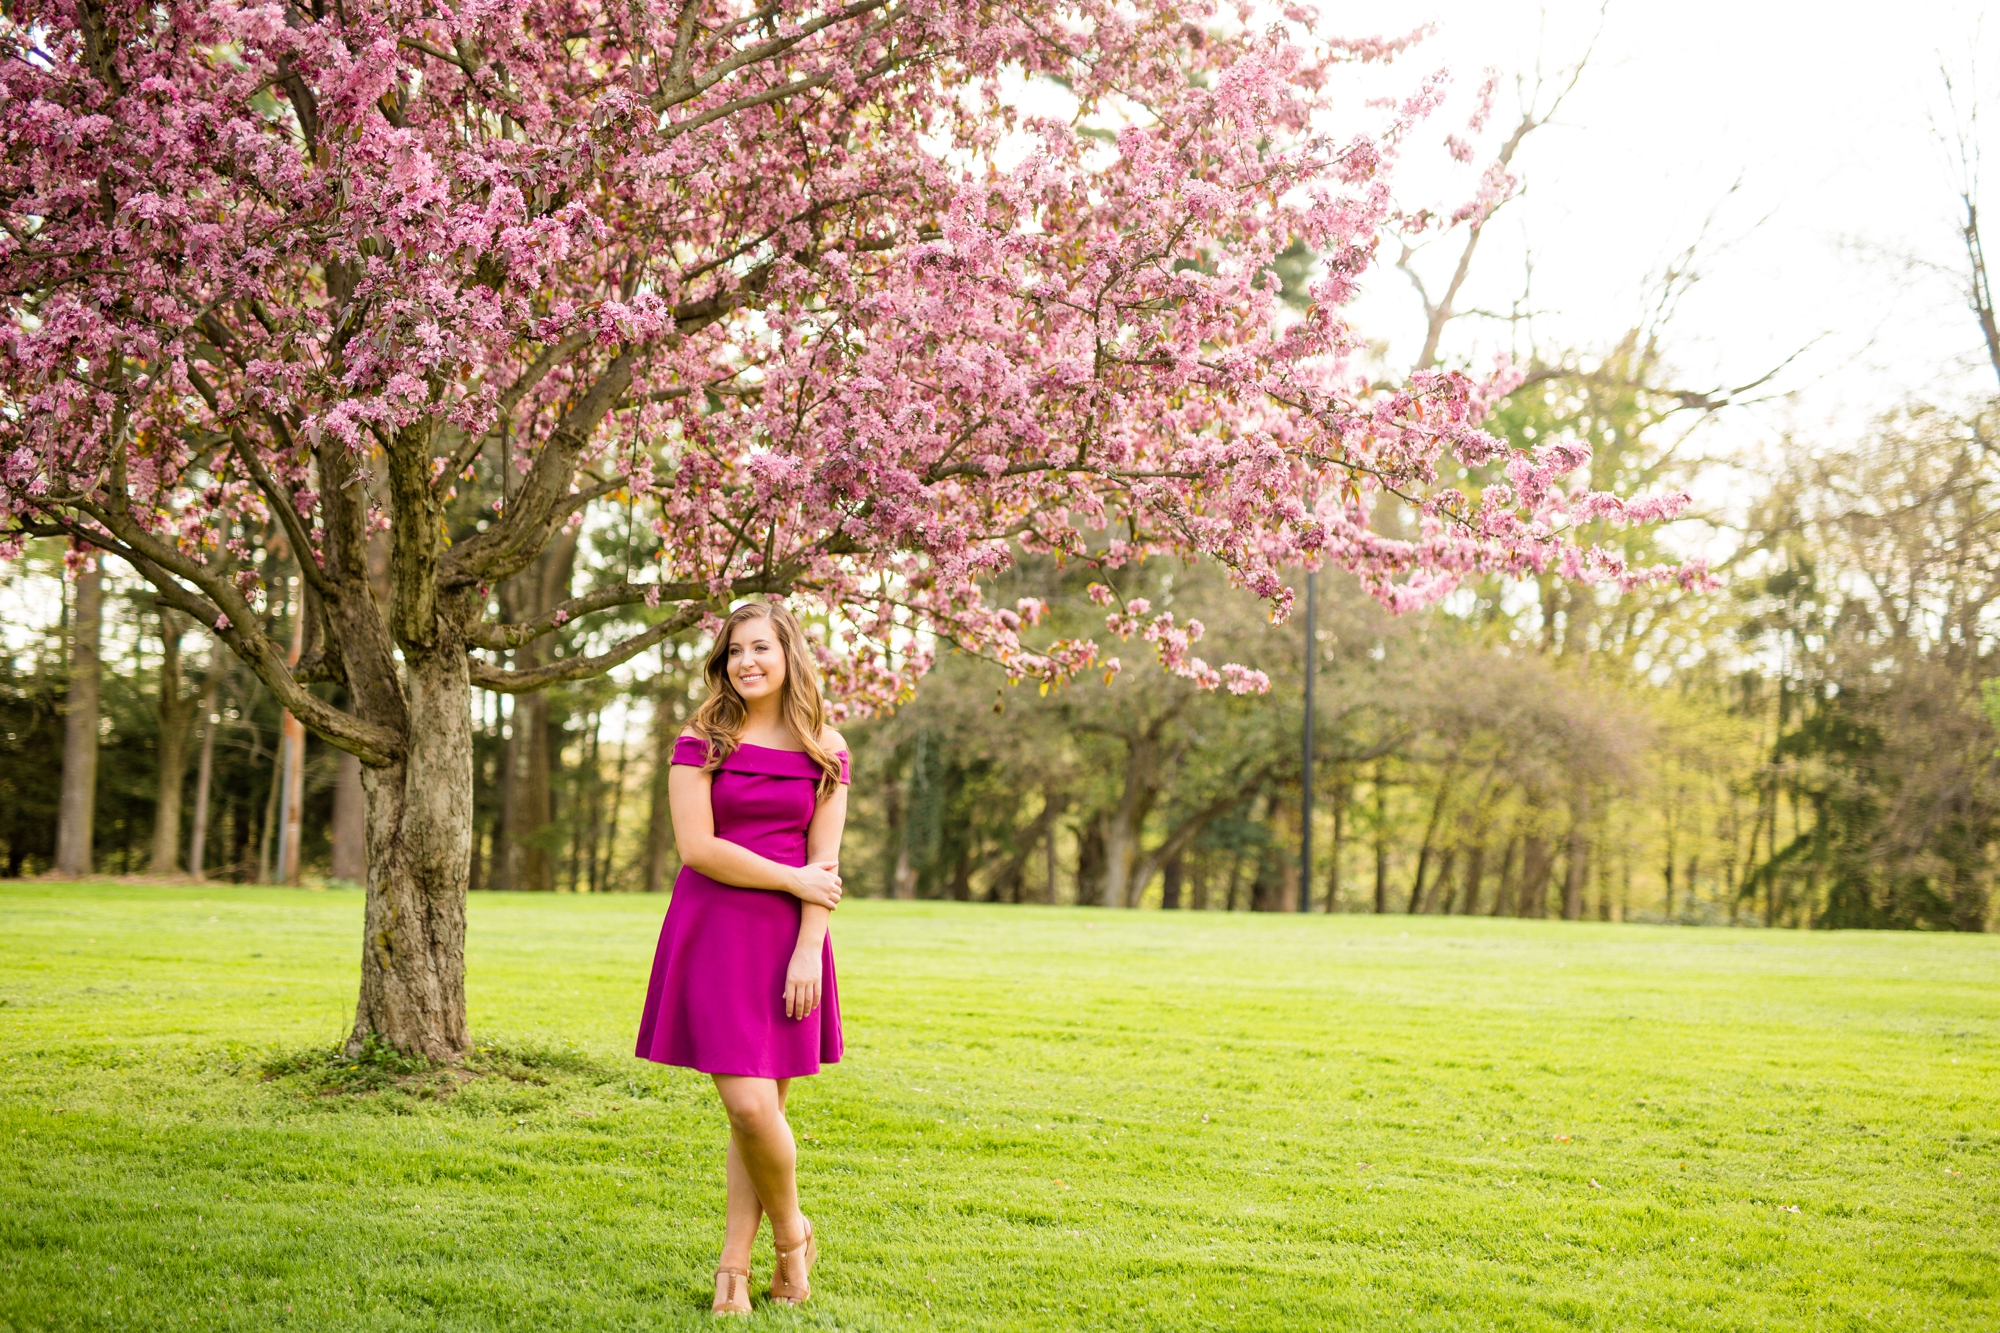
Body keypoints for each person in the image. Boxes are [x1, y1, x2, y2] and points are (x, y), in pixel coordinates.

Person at [633, 600, 849, 1315]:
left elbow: (827, 863)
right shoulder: (704, 737)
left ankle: (734, 1267)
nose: (746, 661)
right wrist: (792, 879)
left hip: (791, 942)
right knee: (751, 1106)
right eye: (734, 651)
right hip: (714, 929)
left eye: (760, 647)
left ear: (789, 652)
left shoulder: (826, 747)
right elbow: (697, 847)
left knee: (762, 1113)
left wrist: (808, 951)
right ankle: (794, 1236)